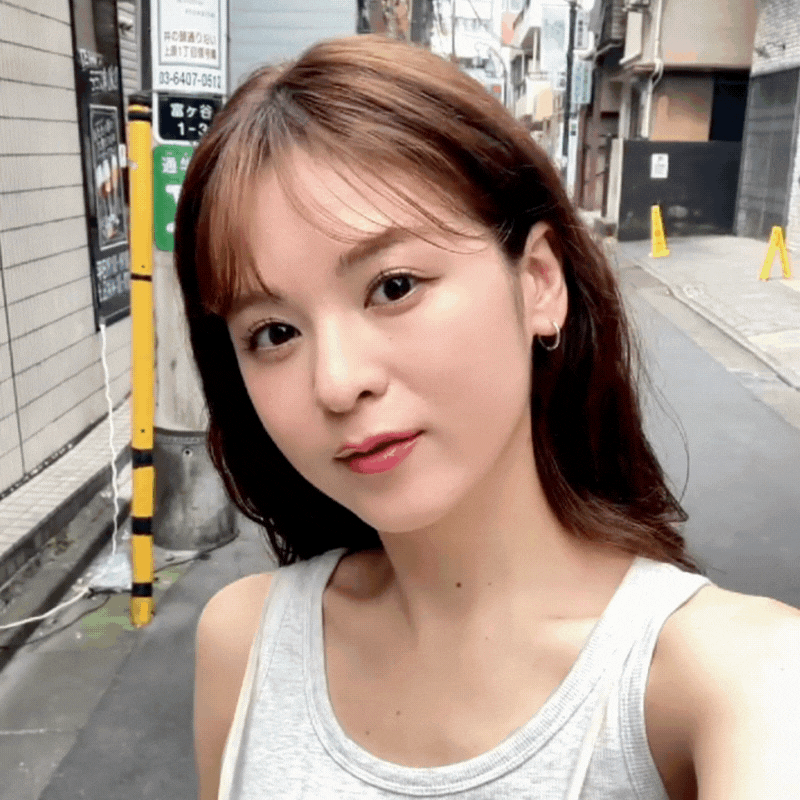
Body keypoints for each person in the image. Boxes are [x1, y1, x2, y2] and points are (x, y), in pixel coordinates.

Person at [174, 35, 800, 800]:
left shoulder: (737, 678)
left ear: (538, 282)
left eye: (394, 286)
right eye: (274, 333)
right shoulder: (244, 646)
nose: (337, 383)